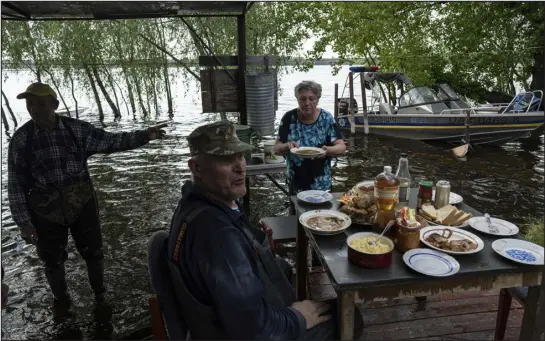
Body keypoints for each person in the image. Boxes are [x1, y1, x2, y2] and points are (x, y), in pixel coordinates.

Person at [163, 120, 362, 340]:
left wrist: (254, 243)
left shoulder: (195, 205)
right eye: (226, 160)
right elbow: (255, 329)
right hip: (243, 331)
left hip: (224, 320)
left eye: (240, 156)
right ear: (196, 168)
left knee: (283, 268)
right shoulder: (217, 235)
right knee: (350, 317)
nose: (240, 166)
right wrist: (297, 317)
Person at [7, 82, 167, 308]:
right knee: (51, 260)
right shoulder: (21, 140)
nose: (34, 109)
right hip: (44, 210)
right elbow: (15, 185)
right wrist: (24, 223)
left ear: (54, 104)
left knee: (94, 253)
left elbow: (112, 142)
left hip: (81, 202)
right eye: (30, 104)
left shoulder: (77, 130)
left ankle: (100, 295)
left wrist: (145, 136)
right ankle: (61, 301)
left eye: (40, 103)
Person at [274, 80, 346, 195]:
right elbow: (276, 148)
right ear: (297, 99)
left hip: (321, 185)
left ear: (317, 100)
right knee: (297, 212)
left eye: (311, 99)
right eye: (302, 99)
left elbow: (341, 148)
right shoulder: (289, 118)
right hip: (295, 184)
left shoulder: (326, 119)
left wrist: (327, 151)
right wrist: (287, 146)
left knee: (321, 213)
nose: (307, 103)